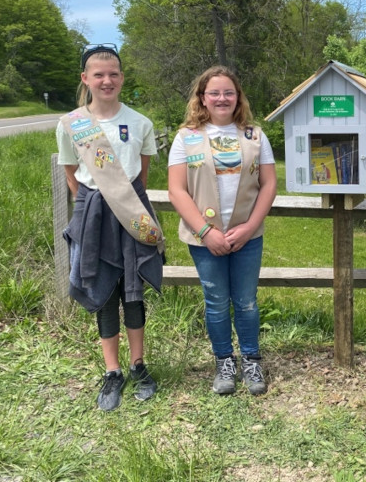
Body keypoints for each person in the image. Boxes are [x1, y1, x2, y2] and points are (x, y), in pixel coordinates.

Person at [57, 43, 164, 412]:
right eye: (98, 74)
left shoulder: (140, 123)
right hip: (94, 216)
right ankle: (112, 371)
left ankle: (138, 365)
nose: (107, 80)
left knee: (133, 291)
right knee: (103, 292)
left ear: (122, 77)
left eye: (113, 74)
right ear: (85, 79)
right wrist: (96, 210)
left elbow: (141, 178)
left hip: (132, 213)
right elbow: (72, 176)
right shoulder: (71, 124)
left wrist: (124, 207)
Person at [167, 65, 276, 396]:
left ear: (238, 97)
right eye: (213, 93)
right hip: (204, 239)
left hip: (247, 237)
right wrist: (205, 232)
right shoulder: (186, 137)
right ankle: (224, 362)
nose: (222, 98)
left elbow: (269, 185)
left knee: (246, 302)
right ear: (202, 98)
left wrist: (249, 227)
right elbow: (177, 190)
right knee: (215, 302)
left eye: (229, 92)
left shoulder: (254, 136)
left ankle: (251, 361)